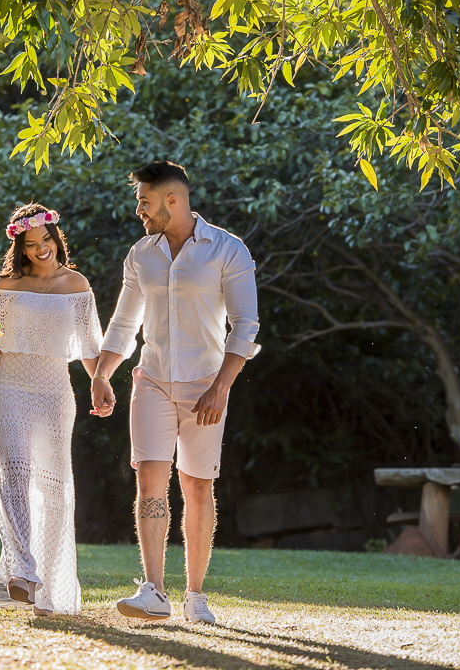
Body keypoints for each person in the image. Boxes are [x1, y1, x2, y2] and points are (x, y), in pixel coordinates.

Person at [90, 161, 260, 625]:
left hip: (207, 385)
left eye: (144, 202)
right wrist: (103, 373)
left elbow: (245, 325)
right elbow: (124, 322)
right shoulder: (140, 254)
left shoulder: (227, 249)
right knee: (150, 480)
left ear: (172, 200)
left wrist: (221, 387)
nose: (139, 211)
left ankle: (196, 596)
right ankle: (154, 592)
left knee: (197, 485)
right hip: (152, 381)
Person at [0, 202, 103, 616]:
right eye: (31, 244)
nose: (41, 249)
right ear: (21, 247)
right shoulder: (7, 284)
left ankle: (48, 591)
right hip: (9, 387)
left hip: (55, 392)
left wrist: (100, 383)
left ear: (55, 238)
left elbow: (90, 347)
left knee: (53, 486)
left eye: (46, 240)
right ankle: (23, 570)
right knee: (13, 471)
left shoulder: (77, 284)